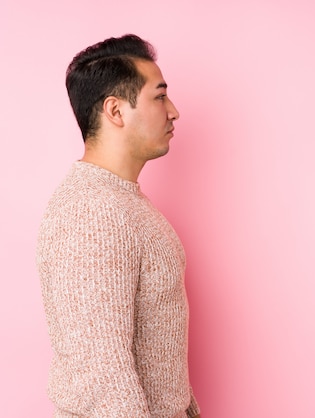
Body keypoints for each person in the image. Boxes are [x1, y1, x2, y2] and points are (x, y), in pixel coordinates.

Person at [36, 34, 201, 418]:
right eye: (159, 96)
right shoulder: (91, 212)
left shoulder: (123, 202)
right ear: (115, 110)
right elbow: (101, 374)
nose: (173, 111)